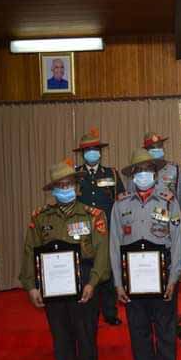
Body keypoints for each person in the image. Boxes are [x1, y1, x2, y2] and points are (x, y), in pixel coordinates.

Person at [19, 159, 110, 360]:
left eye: (69, 184)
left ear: (77, 186)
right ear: (53, 189)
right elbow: (29, 251)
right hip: (53, 286)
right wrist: (31, 286)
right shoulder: (40, 218)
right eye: (60, 185)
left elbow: (102, 251)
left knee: (86, 340)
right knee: (62, 342)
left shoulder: (93, 215)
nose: (65, 188)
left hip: (84, 282)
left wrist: (93, 282)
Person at [110, 149, 181, 360]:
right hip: (133, 284)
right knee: (140, 336)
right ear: (132, 175)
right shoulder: (120, 205)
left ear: (155, 173)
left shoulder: (168, 202)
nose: (143, 175)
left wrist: (174, 278)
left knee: (166, 335)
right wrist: (118, 283)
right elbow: (114, 245)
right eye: (138, 171)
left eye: (148, 170)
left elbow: (178, 242)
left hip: (164, 281)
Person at [73, 127, 125, 326]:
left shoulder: (111, 173)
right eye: (88, 150)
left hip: (108, 231)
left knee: (108, 271)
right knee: (87, 270)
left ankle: (110, 312)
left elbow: (121, 201)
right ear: (83, 153)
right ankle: (88, 310)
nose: (92, 153)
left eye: (95, 149)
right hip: (84, 233)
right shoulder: (75, 175)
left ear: (100, 152)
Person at [126, 133, 181, 208]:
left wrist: (173, 209)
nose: (157, 149)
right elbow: (131, 195)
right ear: (146, 151)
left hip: (167, 211)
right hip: (143, 211)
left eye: (159, 146)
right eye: (152, 148)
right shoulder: (137, 170)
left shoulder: (174, 169)